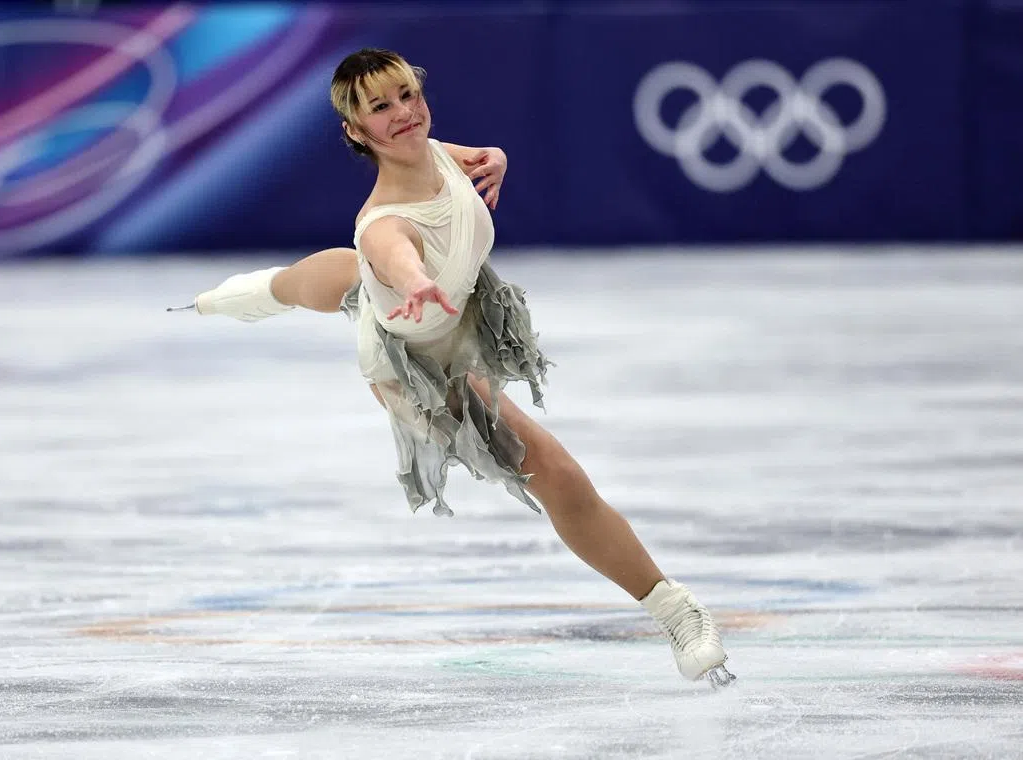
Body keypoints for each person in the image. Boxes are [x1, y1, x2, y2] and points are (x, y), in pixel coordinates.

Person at [184, 49, 735, 688]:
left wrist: (496, 157)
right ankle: (675, 610)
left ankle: (260, 293)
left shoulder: (437, 152)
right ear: (356, 132)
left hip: (440, 308)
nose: (403, 114)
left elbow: (467, 156)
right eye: (380, 108)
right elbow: (394, 252)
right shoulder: (384, 224)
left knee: (340, 277)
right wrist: (415, 282)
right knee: (551, 470)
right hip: (416, 359)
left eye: (407, 95)